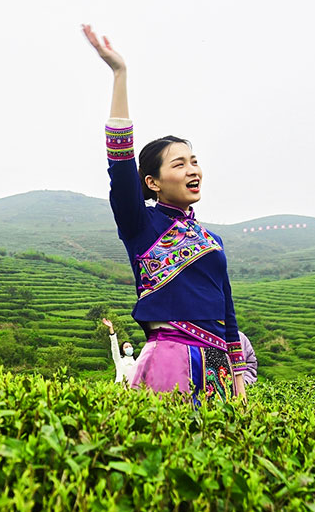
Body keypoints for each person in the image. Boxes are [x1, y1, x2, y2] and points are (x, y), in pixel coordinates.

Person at [82, 24, 246, 403]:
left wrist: (237, 379)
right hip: (169, 358)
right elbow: (120, 164)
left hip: (219, 363)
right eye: (179, 164)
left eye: (194, 161)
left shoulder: (212, 241)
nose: (193, 170)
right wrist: (120, 74)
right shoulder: (142, 224)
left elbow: (229, 313)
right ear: (153, 182)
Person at [102, 318, 137, 386]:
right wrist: (111, 329)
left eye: (130, 346)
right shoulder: (119, 361)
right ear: (122, 350)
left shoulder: (136, 363)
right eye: (126, 347)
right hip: (120, 391)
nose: (129, 348)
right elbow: (115, 347)